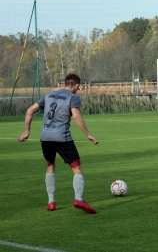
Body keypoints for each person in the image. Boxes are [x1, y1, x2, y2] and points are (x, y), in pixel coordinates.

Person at [17, 73, 98, 214]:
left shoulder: (49, 96)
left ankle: (51, 202)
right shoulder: (73, 98)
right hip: (62, 137)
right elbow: (77, 116)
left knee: (50, 165)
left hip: (45, 137)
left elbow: (29, 110)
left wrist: (26, 131)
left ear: (65, 83)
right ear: (77, 85)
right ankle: (78, 199)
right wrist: (88, 134)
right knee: (77, 168)